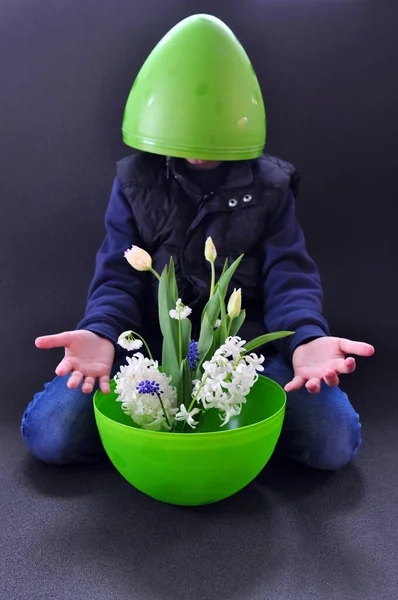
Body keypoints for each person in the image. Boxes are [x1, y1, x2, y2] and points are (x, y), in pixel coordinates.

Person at [21, 14, 374, 469]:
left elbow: (290, 275)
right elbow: (117, 277)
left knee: (332, 444)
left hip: (246, 355)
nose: (198, 131)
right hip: (153, 355)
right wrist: (101, 331)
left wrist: (306, 338)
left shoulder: (271, 185)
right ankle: (168, 430)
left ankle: (229, 430)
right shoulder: (136, 180)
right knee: (52, 435)